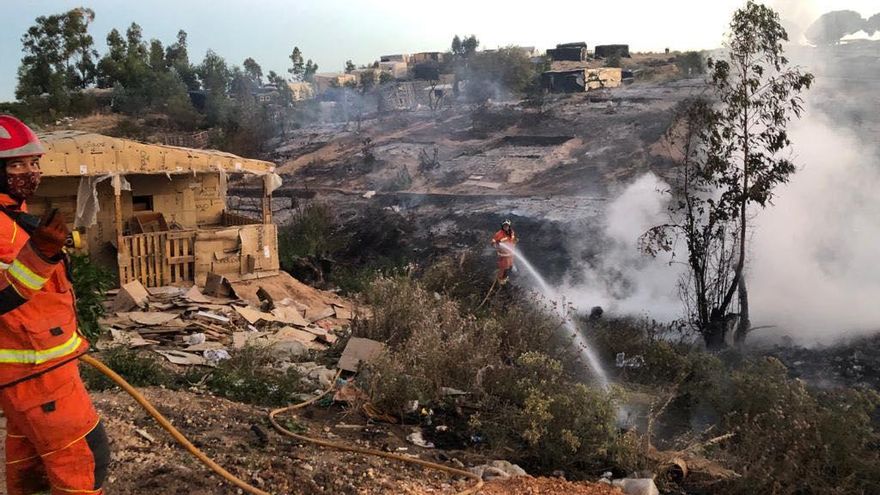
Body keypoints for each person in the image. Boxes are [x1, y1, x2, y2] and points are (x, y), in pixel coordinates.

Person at [0, 115, 109, 495]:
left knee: (31, 468)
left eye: (33, 162)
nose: (29, 172)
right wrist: (41, 256)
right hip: (33, 371)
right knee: (83, 458)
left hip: (35, 367)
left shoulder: (15, 218)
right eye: (16, 165)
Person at [490, 219, 517, 285]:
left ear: (509, 226)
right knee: (504, 269)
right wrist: (496, 245)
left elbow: (512, 240)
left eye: (507, 226)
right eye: (504, 226)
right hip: (503, 256)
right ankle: (501, 281)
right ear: (502, 226)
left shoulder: (511, 232)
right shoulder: (498, 234)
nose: (506, 227)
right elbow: (493, 243)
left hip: (510, 255)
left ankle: (506, 278)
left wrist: (514, 243)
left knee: (510, 267)